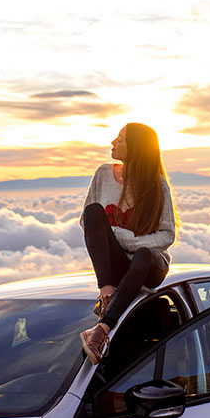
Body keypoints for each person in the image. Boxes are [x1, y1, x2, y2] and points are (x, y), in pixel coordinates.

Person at [78, 123, 178, 364]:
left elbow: (167, 235)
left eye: (120, 139)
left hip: (149, 265)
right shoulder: (103, 174)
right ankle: (108, 293)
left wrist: (126, 239)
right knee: (93, 211)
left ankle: (101, 330)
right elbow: (87, 222)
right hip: (119, 265)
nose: (113, 142)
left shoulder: (156, 184)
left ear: (135, 147)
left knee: (144, 253)